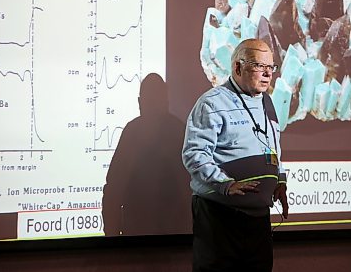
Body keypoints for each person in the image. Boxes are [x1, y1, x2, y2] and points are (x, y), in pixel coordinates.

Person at [182, 38, 289, 271]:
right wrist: (225, 184)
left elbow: (274, 148)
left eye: (271, 67)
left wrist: (279, 181)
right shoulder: (212, 102)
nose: (268, 74)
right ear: (238, 67)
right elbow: (194, 153)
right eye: (259, 66)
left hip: (258, 219)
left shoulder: (268, 103)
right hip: (221, 216)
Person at [102, 73, 192, 236]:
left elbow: (113, 192)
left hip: (157, 240)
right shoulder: (180, 131)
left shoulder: (134, 133)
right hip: (172, 240)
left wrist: (112, 239)